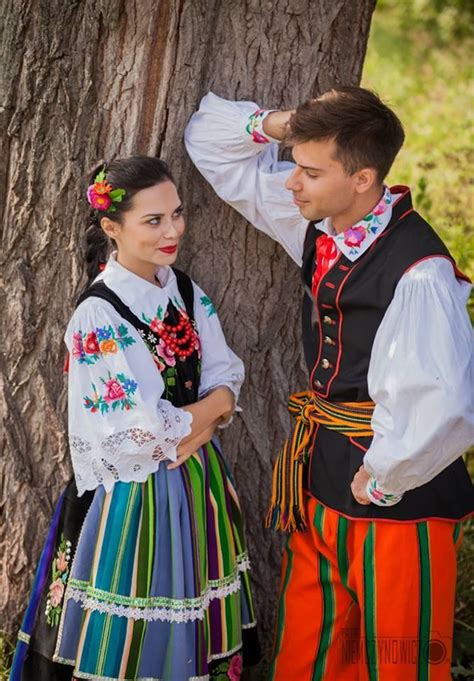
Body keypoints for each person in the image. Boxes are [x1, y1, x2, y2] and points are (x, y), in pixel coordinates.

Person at [184, 87, 474, 680]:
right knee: (312, 653)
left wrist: (385, 475)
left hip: (396, 500)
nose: (292, 182)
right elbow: (208, 143)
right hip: (317, 479)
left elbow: (442, 399)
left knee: (399, 658)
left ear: (364, 177)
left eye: (311, 171)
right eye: (295, 165)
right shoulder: (317, 220)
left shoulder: (421, 272)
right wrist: (287, 124)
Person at [11, 156, 260, 681]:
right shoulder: (98, 315)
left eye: (176, 214)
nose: (172, 231)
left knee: (190, 610)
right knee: (136, 625)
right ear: (110, 228)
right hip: (131, 497)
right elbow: (137, 436)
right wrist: (211, 413)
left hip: (196, 481)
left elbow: (225, 374)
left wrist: (206, 414)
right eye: (153, 221)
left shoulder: (185, 290)